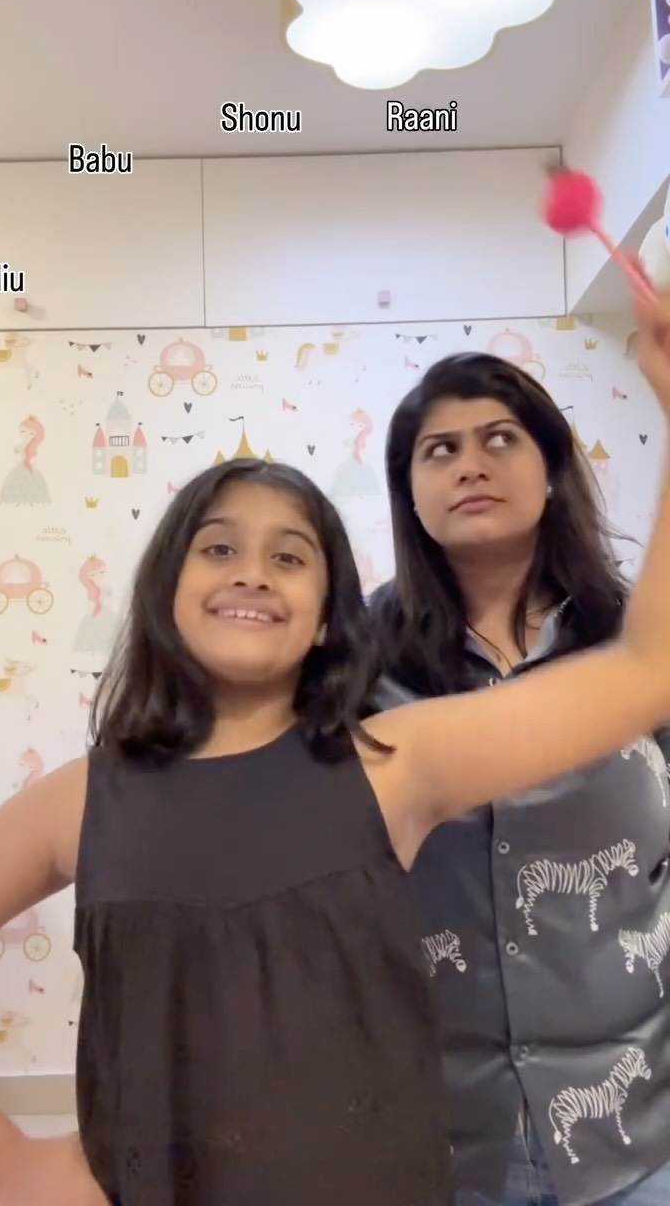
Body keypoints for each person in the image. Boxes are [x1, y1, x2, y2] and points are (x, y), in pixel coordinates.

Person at [0, 294, 669, 1206]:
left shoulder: (392, 760)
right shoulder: (84, 799)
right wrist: (5, 1167)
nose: (252, 573)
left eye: (290, 557)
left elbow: (646, 668)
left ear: (331, 614)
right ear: (166, 584)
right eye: (219, 549)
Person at [369, 315, 670, 1206]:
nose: (471, 464)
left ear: (550, 470)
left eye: (500, 438)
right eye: (440, 450)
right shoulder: (351, 667)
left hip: (640, 1129)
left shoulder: (636, 652)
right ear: (409, 492)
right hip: (439, 1140)